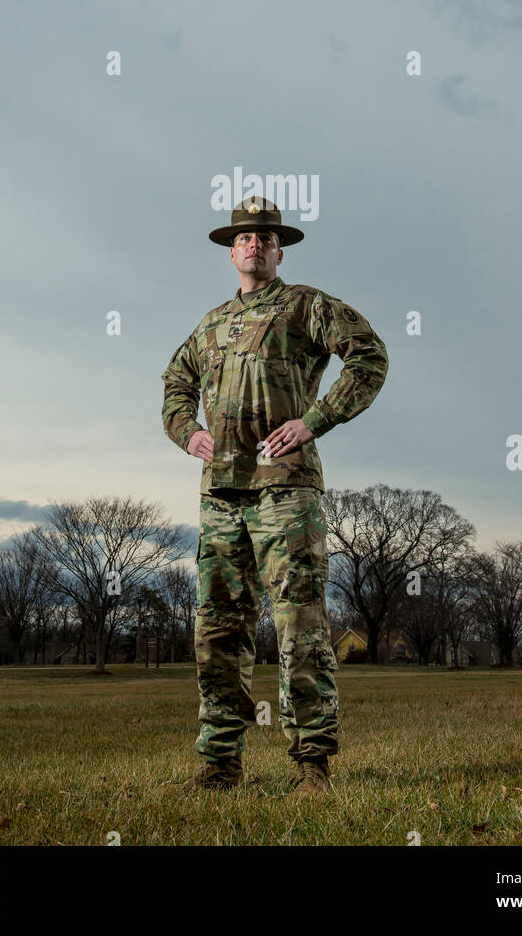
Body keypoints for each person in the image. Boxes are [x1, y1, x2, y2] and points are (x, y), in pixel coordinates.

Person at [161, 196, 388, 797]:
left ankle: (312, 764)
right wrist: (188, 432)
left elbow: (369, 357)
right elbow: (175, 383)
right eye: (245, 237)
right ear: (230, 251)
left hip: (285, 491)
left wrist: (315, 420)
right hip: (221, 496)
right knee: (217, 630)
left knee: (300, 625)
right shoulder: (210, 324)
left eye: (266, 237)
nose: (255, 245)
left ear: (279, 251)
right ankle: (219, 764)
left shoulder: (306, 305)